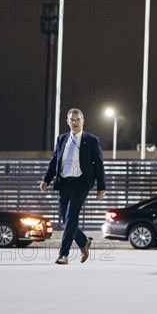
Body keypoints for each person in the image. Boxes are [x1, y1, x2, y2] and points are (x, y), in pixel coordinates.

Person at [40, 108, 106, 265]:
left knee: (70, 218)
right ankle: (83, 241)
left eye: (78, 119)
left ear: (83, 121)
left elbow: (99, 164)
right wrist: (46, 180)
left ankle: (63, 254)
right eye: (72, 120)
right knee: (66, 219)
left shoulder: (91, 140)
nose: (75, 122)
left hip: (81, 183)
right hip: (63, 183)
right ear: (67, 121)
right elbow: (54, 160)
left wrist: (101, 187)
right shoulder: (62, 139)